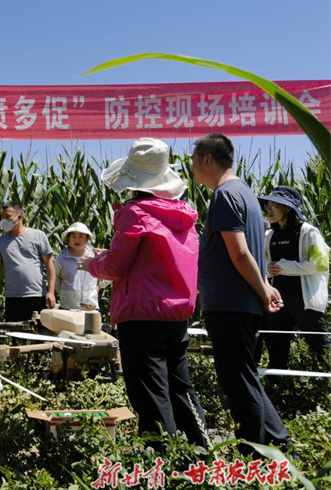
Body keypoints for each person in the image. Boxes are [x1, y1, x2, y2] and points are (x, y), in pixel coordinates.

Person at [83, 138, 208, 447]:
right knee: (180, 387)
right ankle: (200, 449)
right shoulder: (183, 215)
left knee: (150, 391)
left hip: (140, 313)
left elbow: (115, 267)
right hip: (176, 313)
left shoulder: (135, 212)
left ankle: (161, 459)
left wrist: (92, 264)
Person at [191, 133, 290, 450]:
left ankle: (253, 450)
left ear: (208, 159)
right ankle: (278, 438)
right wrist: (262, 290)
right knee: (245, 373)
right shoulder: (245, 193)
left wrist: (263, 290)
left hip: (229, 302)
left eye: (194, 162)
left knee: (236, 377)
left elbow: (240, 253)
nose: (193, 169)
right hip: (239, 301)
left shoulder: (225, 195)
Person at [259, 186, 330, 369]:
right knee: (277, 352)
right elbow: (264, 264)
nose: (269, 209)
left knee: (322, 348)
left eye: (275, 205)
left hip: (305, 301)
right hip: (278, 301)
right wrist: (268, 269)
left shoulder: (308, 232)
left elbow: (319, 264)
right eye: (268, 205)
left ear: (288, 208)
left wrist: (282, 267)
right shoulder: (270, 235)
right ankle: (277, 393)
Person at [0, 202, 56, 321]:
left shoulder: (38, 236)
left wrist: (51, 292)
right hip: (13, 296)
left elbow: (50, 265)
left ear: (19, 217)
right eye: (2, 217)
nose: (4, 220)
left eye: (8, 216)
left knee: (39, 336)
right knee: (15, 335)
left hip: (37, 295)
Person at [55, 222, 101, 310]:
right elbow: (55, 279)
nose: (77, 240)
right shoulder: (61, 258)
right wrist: (64, 294)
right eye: (73, 236)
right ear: (68, 239)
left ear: (87, 239)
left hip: (90, 307)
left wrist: (97, 288)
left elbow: (108, 273)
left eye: (81, 236)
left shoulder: (94, 256)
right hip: (67, 308)